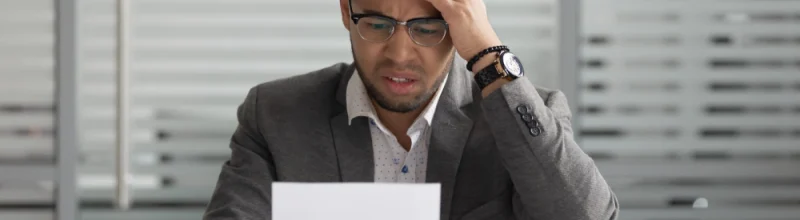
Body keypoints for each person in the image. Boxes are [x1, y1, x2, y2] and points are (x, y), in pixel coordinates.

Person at [203, 0, 619, 219]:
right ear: (347, 12)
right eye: (378, 25)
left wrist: (490, 57)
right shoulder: (276, 115)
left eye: (427, 28)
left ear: (461, 28)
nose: (400, 54)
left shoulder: (520, 116)